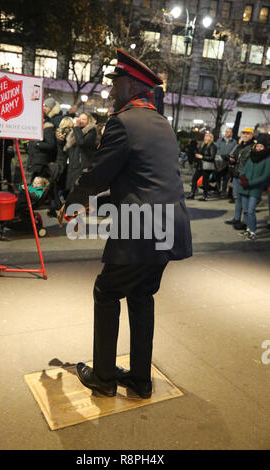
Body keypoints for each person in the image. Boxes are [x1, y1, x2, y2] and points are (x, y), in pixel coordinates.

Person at [60, 49, 192, 398]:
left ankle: (104, 377)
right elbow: (141, 181)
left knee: (106, 292)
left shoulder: (123, 122)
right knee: (141, 295)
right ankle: (139, 379)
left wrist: (74, 202)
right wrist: (98, 205)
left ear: (133, 85)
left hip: (142, 230)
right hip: (167, 227)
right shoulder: (163, 124)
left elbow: (99, 173)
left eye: (116, 83)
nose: (112, 89)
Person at [55, 112, 97, 197]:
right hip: (72, 165)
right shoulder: (75, 131)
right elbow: (66, 148)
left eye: (84, 119)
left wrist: (76, 127)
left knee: (78, 191)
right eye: (80, 119)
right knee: (69, 190)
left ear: (89, 121)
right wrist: (61, 141)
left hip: (82, 166)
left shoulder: (91, 132)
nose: (80, 121)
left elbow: (81, 142)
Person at [239, 134, 270, 240]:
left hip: (255, 189)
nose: (259, 148)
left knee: (251, 210)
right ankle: (247, 229)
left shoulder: (267, 159)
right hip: (245, 187)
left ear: (265, 147)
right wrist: (242, 178)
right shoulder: (252, 156)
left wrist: (250, 183)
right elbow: (244, 169)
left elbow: (265, 176)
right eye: (257, 146)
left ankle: (253, 231)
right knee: (246, 210)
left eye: (261, 146)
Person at [225, 127, 255, 230]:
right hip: (237, 175)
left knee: (244, 199)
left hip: (245, 177)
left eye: (248, 134)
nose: (245, 136)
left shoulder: (252, 147)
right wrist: (231, 160)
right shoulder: (240, 146)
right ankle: (237, 218)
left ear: (252, 135)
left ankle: (245, 222)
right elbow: (234, 157)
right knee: (237, 198)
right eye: (244, 134)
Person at [187, 131, 216, 201]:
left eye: (207, 136)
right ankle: (192, 194)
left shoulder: (212, 146)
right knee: (194, 179)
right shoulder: (204, 145)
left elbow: (212, 157)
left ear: (211, 138)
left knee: (205, 182)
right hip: (200, 166)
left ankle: (205, 196)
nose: (205, 137)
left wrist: (202, 157)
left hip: (207, 167)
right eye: (205, 136)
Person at [215, 128, 237, 197]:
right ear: (225, 132)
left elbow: (234, 150)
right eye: (227, 132)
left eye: (230, 132)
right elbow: (217, 149)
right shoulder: (219, 140)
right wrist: (220, 157)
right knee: (218, 177)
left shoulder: (234, 142)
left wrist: (228, 157)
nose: (228, 133)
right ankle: (218, 190)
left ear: (232, 133)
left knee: (226, 178)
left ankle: (223, 191)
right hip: (219, 161)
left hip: (228, 162)